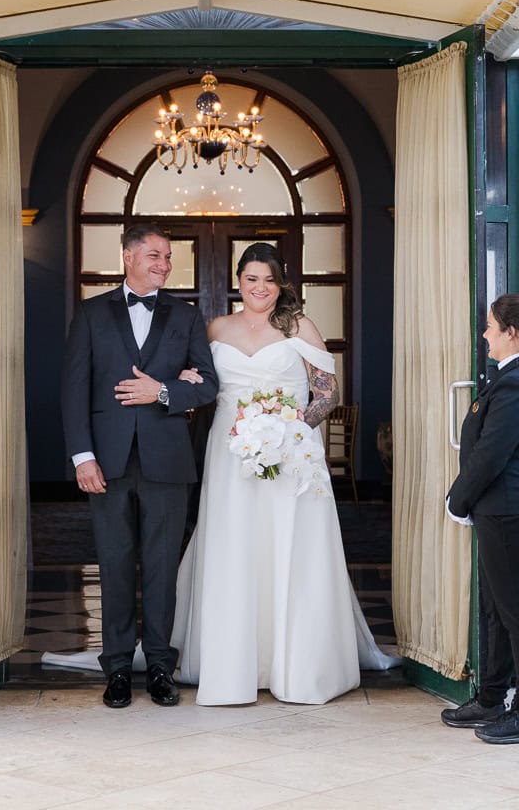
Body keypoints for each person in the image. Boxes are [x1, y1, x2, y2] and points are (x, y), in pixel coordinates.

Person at [171, 242, 398, 705]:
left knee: (289, 544)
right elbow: (203, 384)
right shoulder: (217, 328)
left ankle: (296, 663)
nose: (260, 288)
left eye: (269, 280)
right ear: (238, 281)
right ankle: (233, 663)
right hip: (229, 452)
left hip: (291, 454)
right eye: (252, 279)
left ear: (282, 283)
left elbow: (326, 392)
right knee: (235, 544)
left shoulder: (300, 327)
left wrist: (289, 430)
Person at [60, 224, 219, 709]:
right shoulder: (90, 314)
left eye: (168, 257)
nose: (165, 265)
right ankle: (116, 669)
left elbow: (209, 384)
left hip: (167, 461)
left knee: (161, 566)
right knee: (112, 564)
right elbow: (73, 390)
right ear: (127, 256)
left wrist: (165, 390)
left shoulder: (187, 317)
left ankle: (159, 667)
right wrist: (82, 456)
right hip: (105, 461)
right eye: (154, 255)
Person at [441, 293, 519, 744]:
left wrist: (457, 499)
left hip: (512, 511)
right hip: (503, 509)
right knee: (496, 609)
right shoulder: (516, 376)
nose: (485, 333)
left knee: (517, 615)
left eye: (490, 326)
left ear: (512, 332)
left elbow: (491, 454)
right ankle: (492, 698)